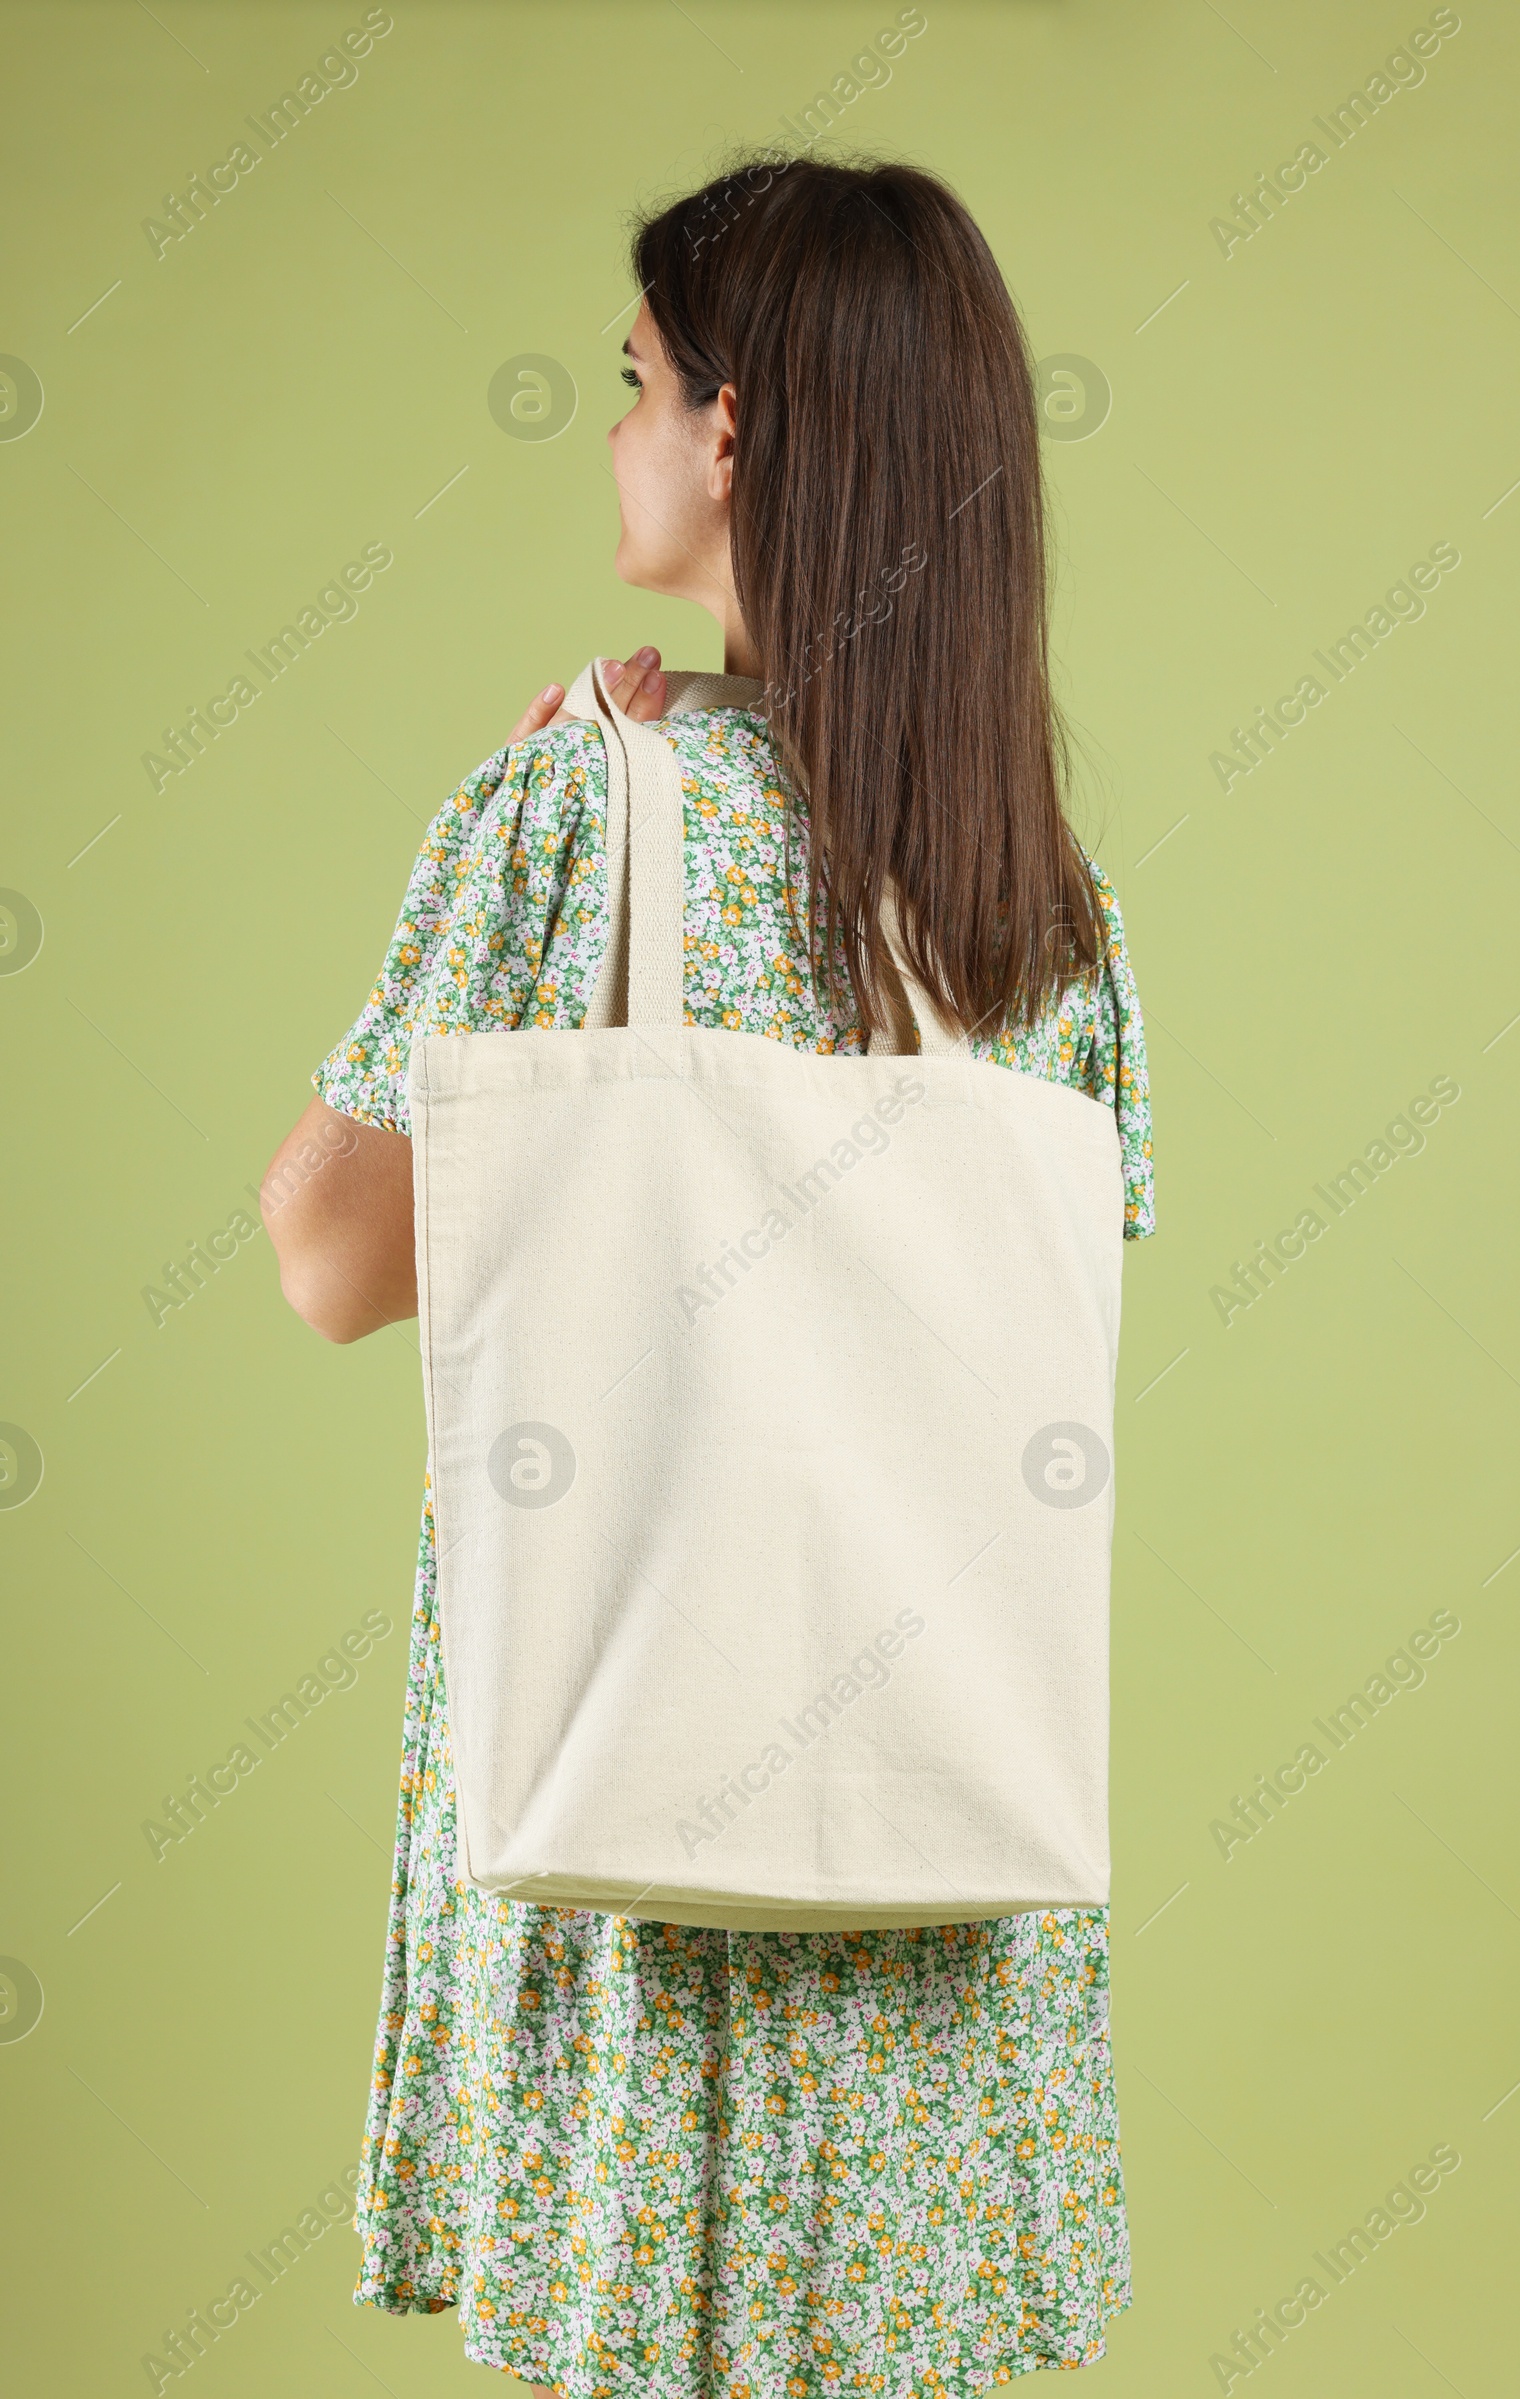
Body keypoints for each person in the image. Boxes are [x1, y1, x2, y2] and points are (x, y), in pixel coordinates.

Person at [262, 150, 1154, 2395]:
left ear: (731, 426)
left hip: (642, 1834)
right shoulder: (1042, 922)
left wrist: (519, 803)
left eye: (632, 379)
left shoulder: (579, 813)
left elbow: (327, 1261)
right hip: (945, 1867)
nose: (612, 426)